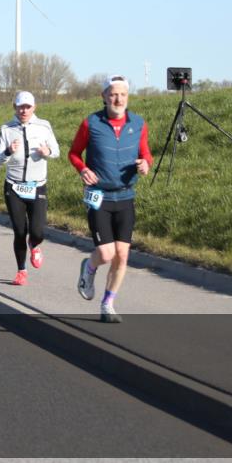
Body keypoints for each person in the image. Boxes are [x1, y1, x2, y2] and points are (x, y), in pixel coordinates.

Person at [69, 75, 153, 323]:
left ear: (128, 97)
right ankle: (89, 267)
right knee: (106, 254)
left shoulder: (138, 123)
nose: (118, 99)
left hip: (126, 196)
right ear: (104, 96)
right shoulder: (91, 123)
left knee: (123, 255)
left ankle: (108, 303)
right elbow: (74, 153)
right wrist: (82, 169)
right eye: (113, 94)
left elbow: (146, 152)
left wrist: (145, 164)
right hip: (99, 196)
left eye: (122, 95)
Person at [0, 91, 60, 286]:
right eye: (20, 106)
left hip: (37, 185)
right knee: (20, 231)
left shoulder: (44, 126)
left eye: (28, 107)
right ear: (14, 107)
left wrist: (47, 152)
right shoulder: (6, 128)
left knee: (38, 231)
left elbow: (56, 150)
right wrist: (8, 151)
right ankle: (21, 271)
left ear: (34, 107)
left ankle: (35, 245)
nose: (24, 110)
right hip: (14, 187)